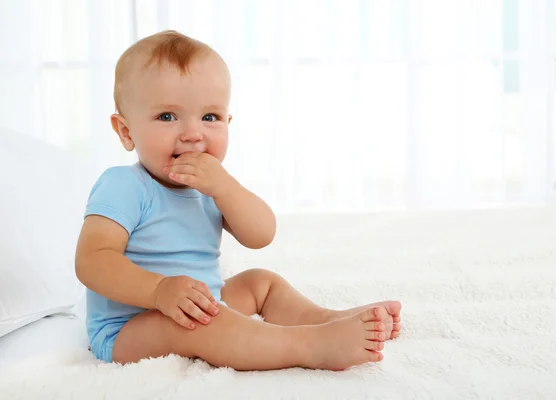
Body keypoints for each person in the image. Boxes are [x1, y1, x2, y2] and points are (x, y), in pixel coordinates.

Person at [75, 30, 401, 371]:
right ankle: (309, 346)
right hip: (130, 328)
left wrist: (225, 188)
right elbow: (93, 260)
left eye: (210, 117)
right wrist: (158, 291)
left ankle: (324, 320)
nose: (192, 133)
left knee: (260, 282)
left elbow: (261, 234)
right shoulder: (124, 185)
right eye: (167, 116)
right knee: (194, 324)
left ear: (227, 122)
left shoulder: (211, 185)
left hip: (203, 301)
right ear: (126, 132)